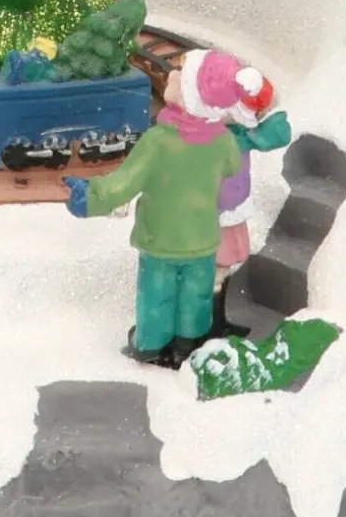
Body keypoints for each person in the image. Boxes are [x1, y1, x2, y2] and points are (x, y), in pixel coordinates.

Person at [63, 50, 266, 368]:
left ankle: (151, 345)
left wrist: (90, 198)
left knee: (157, 294)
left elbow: (124, 183)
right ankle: (187, 344)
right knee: (196, 296)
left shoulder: (158, 141)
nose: (171, 74)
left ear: (189, 96)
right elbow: (229, 166)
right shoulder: (223, 141)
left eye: (180, 74)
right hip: (202, 237)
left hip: (160, 239)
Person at [215, 70, 291, 277]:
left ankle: (220, 271)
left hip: (227, 196)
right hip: (217, 196)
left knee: (225, 235)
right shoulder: (236, 132)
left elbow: (279, 133)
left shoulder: (242, 134)